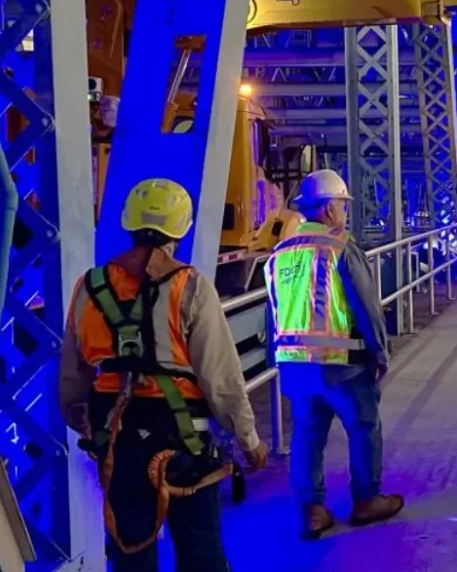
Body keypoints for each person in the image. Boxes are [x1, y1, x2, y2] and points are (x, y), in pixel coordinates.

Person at [59, 177, 268, 572]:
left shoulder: (89, 286)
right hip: (182, 441)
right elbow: (221, 379)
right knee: (201, 553)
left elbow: (72, 373)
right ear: (181, 228)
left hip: (116, 440)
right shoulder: (191, 287)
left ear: (128, 225)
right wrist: (249, 439)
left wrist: (83, 422)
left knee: (131, 552)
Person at [264, 169, 403, 540]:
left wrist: (274, 361)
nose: (344, 212)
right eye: (342, 205)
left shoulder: (279, 254)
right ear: (327, 209)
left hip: (295, 367)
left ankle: (312, 510)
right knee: (363, 429)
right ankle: (366, 500)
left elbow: (273, 311)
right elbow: (366, 307)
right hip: (343, 365)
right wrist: (380, 352)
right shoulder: (340, 249)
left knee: (307, 437)